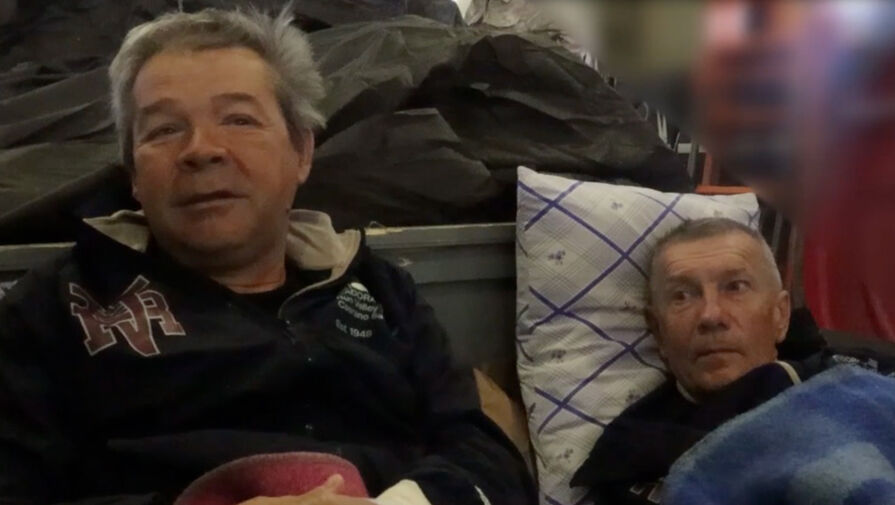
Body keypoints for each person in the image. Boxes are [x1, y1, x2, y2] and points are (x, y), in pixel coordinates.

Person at [0, 7, 534, 505]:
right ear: (133, 175)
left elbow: (486, 457)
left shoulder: (381, 291)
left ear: (301, 152)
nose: (201, 149)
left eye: (239, 119)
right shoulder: (53, 307)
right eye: (164, 129)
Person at [571, 217, 834, 504]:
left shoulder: (846, 387)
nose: (710, 315)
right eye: (682, 296)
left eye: (735, 287)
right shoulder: (628, 458)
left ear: (780, 315)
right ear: (658, 331)